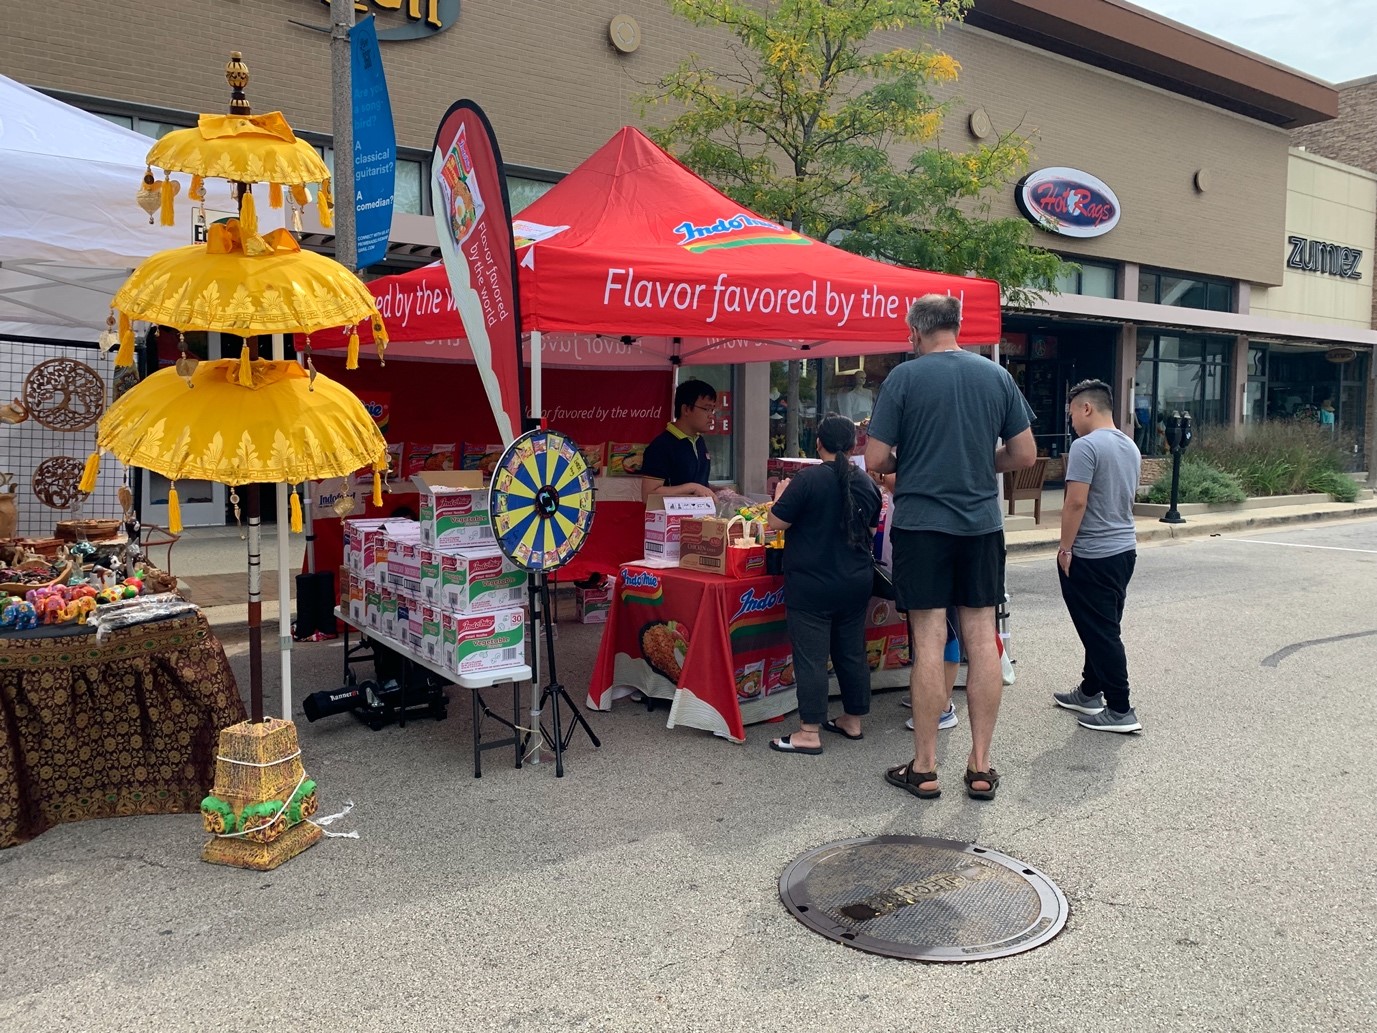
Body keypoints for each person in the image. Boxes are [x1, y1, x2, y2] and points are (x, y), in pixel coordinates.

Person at [865, 294, 1036, 801]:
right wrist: (984, 466)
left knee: (930, 638)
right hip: (980, 525)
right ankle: (981, 767)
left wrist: (913, 460)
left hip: (921, 526)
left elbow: (875, 457)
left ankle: (924, 767)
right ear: (957, 327)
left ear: (915, 332)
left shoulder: (904, 378)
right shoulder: (995, 376)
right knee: (983, 638)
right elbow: (1024, 453)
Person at [765, 415, 881, 755]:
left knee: (812, 657)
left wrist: (779, 495)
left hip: (812, 583)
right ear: (853, 445)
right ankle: (852, 720)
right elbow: (872, 530)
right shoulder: (867, 483)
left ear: (818, 443)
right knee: (851, 652)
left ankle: (809, 732)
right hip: (856, 581)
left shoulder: (807, 480)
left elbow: (776, 522)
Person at [1053, 379, 1143, 733]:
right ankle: (1090, 690)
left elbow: (1076, 501)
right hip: (1124, 549)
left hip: (1092, 553)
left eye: (1072, 412)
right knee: (1102, 624)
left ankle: (1120, 708)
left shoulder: (1086, 446)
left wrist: (1065, 547)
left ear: (1086, 408)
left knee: (1102, 631)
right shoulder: (1129, 446)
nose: (1071, 420)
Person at [641, 379, 717, 501]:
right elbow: (648, 494)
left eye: (712, 409)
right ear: (686, 409)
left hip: (699, 516)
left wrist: (719, 491)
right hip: (671, 518)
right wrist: (692, 487)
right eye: (706, 409)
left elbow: (699, 484)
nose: (711, 415)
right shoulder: (662, 445)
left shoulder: (699, 441)